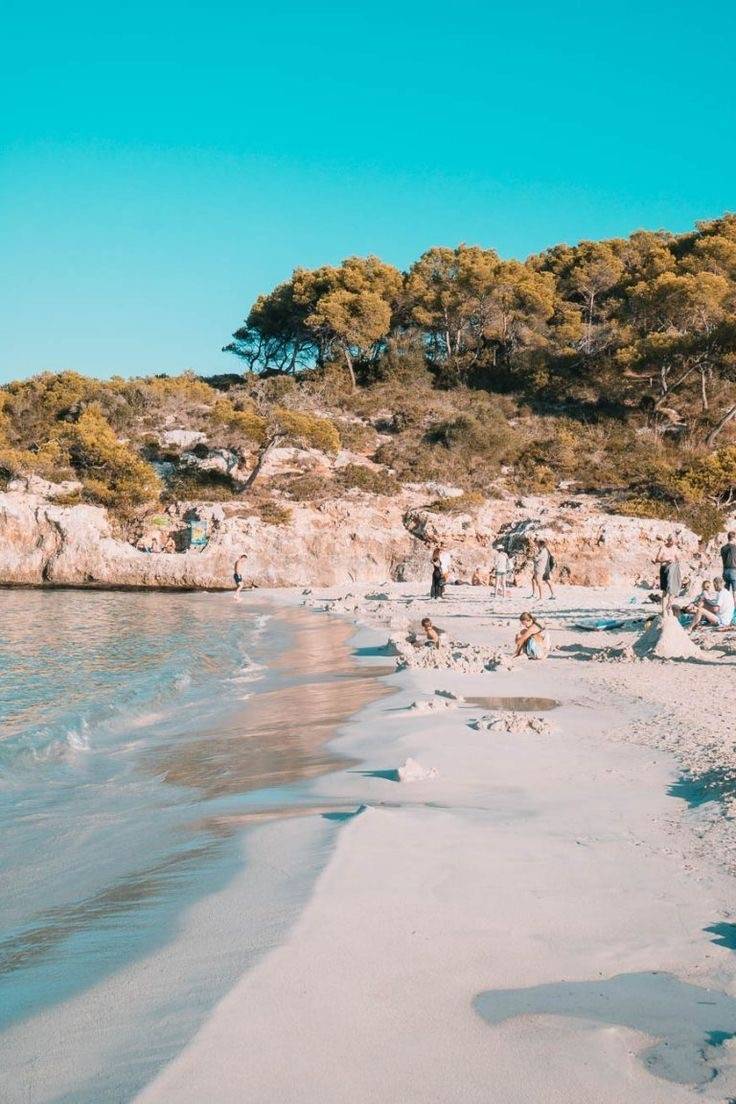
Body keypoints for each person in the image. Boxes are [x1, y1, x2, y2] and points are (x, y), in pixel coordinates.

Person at [654, 535, 681, 613]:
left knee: (674, 589)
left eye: (673, 541)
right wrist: (665, 560)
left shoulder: (675, 548)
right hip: (665, 570)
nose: (672, 543)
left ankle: (668, 606)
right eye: (671, 541)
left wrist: (676, 560)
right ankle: (663, 611)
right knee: (665, 592)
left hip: (673, 569)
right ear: (668, 540)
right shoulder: (663, 548)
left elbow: (678, 558)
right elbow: (657, 559)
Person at [721, 531, 736, 596]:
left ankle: (725, 604)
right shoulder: (735, 547)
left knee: (726, 591)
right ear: (734, 538)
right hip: (733, 570)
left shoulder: (723, 548)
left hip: (725, 571)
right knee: (735, 591)